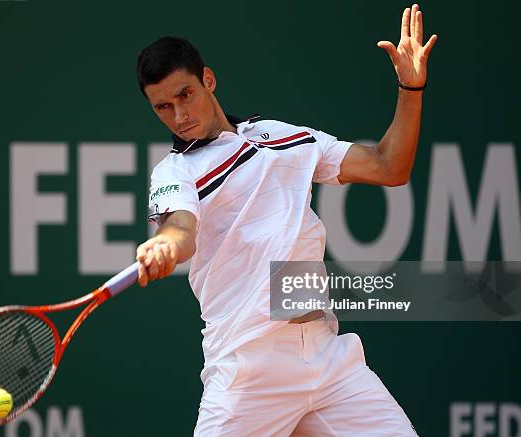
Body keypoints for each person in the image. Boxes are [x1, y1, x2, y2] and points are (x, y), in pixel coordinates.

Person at [135, 4, 436, 436]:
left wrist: (411, 87)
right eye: (163, 107)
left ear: (208, 79)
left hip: (329, 360)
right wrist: (165, 244)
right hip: (249, 368)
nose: (179, 116)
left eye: (185, 95)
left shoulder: (280, 136)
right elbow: (180, 229)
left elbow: (389, 167)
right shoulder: (174, 172)